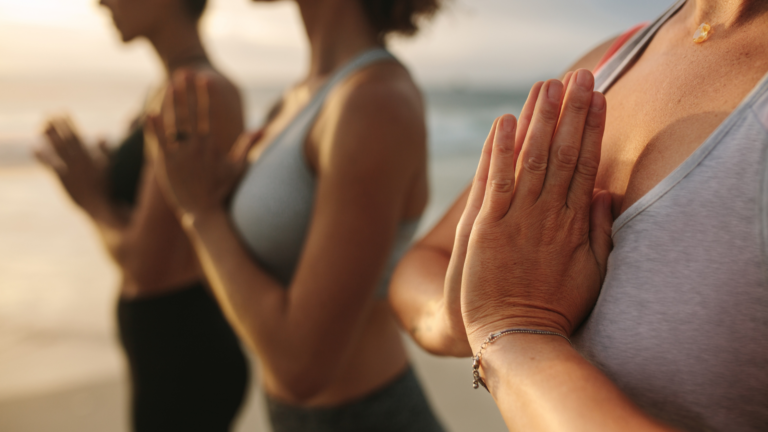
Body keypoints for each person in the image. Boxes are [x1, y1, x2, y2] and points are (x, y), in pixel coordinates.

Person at [389, 0, 768, 430]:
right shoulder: (611, 59)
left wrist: (513, 330)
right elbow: (422, 264)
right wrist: (458, 316)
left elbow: (501, 319)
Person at [144, 0, 445, 431]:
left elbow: (302, 366)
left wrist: (202, 213)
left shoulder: (373, 103)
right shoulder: (297, 99)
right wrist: (215, 208)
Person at [35, 0, 249, 430]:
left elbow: (144, 263)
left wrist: (91, 200)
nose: (101, 3)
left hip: (185, 356)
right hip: (171, 350)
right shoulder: (168, 90)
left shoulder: (194, 93)